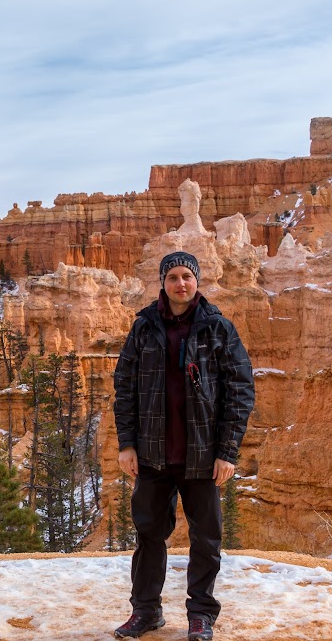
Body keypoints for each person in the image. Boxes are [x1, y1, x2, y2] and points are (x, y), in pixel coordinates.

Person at [112, 251, 254, 640]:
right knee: (148, 537)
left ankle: (201, 615)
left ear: (197, 281)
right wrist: (127, 444)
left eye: (187, 277)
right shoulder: (143, 328)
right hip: (154, 454)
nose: (180, 284)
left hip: (203, 456)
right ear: (163, 282)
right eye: (173, 277)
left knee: (206, 539)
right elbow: (125, 388)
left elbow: (240, 391)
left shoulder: (218, 328)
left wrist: (227, 451)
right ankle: (146, 611)